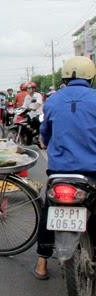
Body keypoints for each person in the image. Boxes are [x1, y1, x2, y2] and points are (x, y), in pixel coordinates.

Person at [33, 56, 96, 280]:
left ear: (65, 77)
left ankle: (41, 264)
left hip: (60, 173)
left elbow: (45, 136)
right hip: (91, 172)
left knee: (48, 210)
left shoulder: (52, 101)